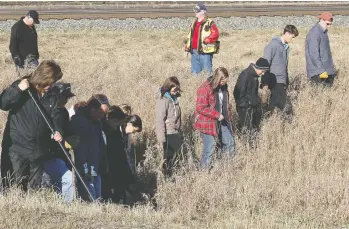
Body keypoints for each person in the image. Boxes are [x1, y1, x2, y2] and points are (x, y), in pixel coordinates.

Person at [0, 60, 63, 191]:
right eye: (50, 82)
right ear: (42, 76)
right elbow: (3, 104)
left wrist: (57, 130)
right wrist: (17, 90)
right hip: (17, 149)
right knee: (13, 188)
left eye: (53, 83)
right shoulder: (23, 87)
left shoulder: (52, 96)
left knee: (34, 190)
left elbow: (56, 116)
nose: (51, 85)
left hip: (38, 152)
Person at [194, 67, 235, 169]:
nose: (225, 84)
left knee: (230, 143)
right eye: (223, 81)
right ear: (218, 79)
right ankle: (204, 171)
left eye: (226, 81)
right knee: (209, 149)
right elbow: (200, 107)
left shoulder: (224, 87)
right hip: (207, 122)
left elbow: (224, 104)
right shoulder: (204, 88)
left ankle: (227, 167)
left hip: (222, 119)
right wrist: (216, 114)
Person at [42, 83, 76, 203]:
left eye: (68, 97)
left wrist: (70, 140)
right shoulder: (44, 110)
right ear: (55, 95)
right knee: (67, 179)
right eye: (64, 97)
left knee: (65, 180)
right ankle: (66, 206)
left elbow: (65, 133)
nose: (66, 100)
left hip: (59, 155)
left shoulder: (64, 113)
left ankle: (64, 205)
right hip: (46, 155)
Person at [70, 97, 107, 201]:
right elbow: (82, 147)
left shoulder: (96, 123)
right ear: (92, 109)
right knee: (91, 195)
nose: (102, 116)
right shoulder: (80, 122)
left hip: (95, 164)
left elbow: (99, 145)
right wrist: (84, 167)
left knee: (97, 195)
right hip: (86, 165)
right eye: (100, 111)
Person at [103, 113, 142, 203]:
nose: (134, 133)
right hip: (111, 163)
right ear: (129, 124)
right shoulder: (115, 130)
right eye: (134, 130)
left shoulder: (124, 134)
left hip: (119, 164)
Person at [263, 25, 299, 113]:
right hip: (275, 80)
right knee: (283, 105)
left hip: (282, 80)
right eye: (292, 37)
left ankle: (271, 119)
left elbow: (284, 65)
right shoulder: (273, 45)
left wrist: (286, 80)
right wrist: (265, 82)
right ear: (287, 33)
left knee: (275, 104)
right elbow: (265, 64)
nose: (292, 39)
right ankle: (280, 122)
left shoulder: (285, 47)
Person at [233, 58, 269, 139]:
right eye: (262, 71)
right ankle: (246, 148)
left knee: (253, 131)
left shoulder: (255, 76)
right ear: (258, 67)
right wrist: (247, 105)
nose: (263, 74)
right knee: (246, 133)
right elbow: (237, 93)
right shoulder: (245, 75)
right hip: (245, 109)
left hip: (253, 108)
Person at [156, 76, 182, 176]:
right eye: (174, 90)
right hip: (168, 132)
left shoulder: (174, 98)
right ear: (168, 88)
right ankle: (166, 177)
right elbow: (159, 120)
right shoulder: (163, 100)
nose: (176, 92)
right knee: (168, 157)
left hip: (175, 131)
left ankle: (171, 175)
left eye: (177, 89)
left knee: (175, 156)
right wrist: (162, 138)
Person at [184, 3, 219, 76]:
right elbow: (189, 36)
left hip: (205, 52)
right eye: (195, 11)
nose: (195, 12)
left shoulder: (210, 22)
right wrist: (187, 48)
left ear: (202, 12)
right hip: (194, 52)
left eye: (197, 11)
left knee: (207, 74)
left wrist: (208, 39)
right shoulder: (194, 22)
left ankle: (208, 87)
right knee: (195, 73)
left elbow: (215, 34)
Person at [305, 12, 335, 87]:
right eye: (327, 24)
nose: (329, 26)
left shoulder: (323, 32)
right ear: (321, 20)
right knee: (320, 94)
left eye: (330, 24)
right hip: (319, 73)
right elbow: (314, 54)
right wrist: (322, 71)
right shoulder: (315, 34)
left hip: (326, 71)